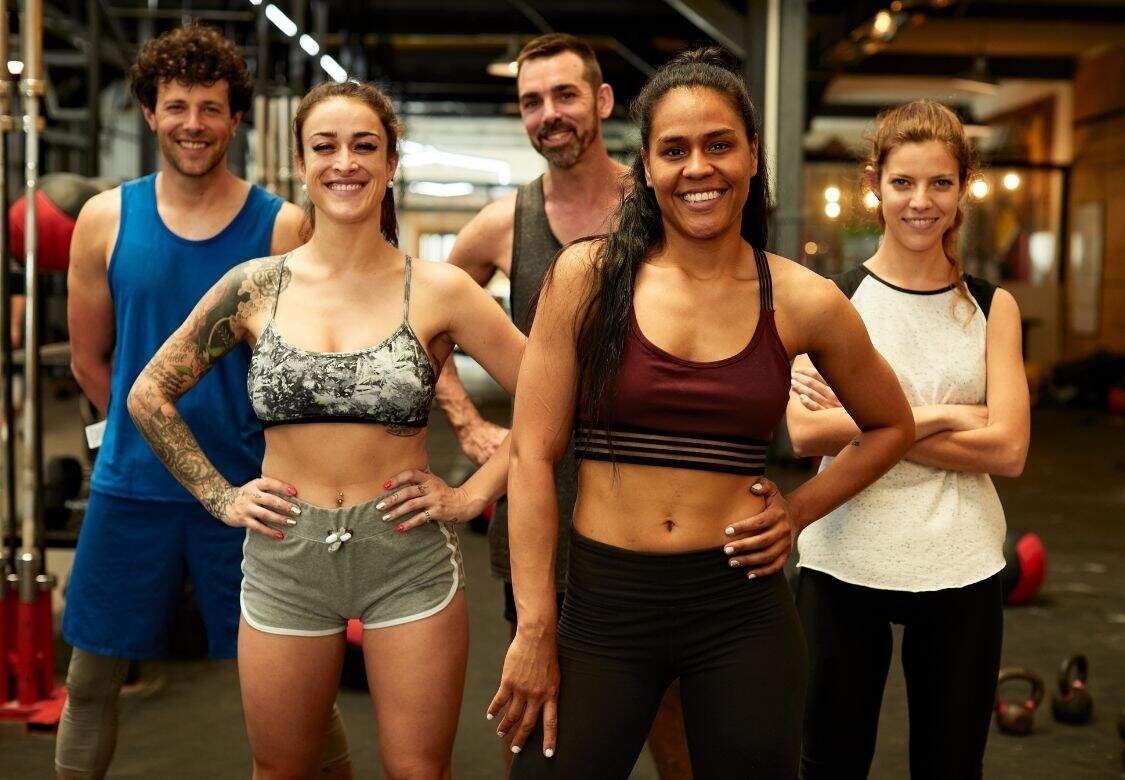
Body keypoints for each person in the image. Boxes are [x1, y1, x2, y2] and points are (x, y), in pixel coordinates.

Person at [490, 48, 915, 778]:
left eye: (719, 145)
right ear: (646, 168)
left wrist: (798, 508)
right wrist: (533, 627)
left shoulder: (802, 298)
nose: (698, 168)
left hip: (737, 609)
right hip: (602, 608)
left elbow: (891, 425)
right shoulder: (586, 280)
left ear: (752, 155)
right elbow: (531, 455)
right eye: (673, 150)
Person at [127, 78, 524, 778]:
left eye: (364, 146)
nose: (345, 162)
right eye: (326, 146)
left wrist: (472, 495)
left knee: (417, 771)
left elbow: (555, 399)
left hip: (404, 555)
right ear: (303, 162)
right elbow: (149, 394)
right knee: (282, 769)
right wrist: (220, 496)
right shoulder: (253, 287)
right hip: (287, 554)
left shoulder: (440, 289)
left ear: (391, 163)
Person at [59, 23, 353, 779]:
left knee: (302, 698)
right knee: (89, 684)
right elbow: (92, 362)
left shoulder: (282, 227)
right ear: (150, 113)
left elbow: (304, 365)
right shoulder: (104, 219)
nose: (194, 123)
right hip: (133, 491)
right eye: (177, 106)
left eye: (211, 108)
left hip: (257, 495)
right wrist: (142, 440)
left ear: (236, 117)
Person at [435, 32, 691, 775]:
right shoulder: (499, 226)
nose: (549, 113)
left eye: (565, 95)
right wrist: (467, 421)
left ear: (602, 102)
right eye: (531, 101)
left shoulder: (661, 205)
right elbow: (421, 325)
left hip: (660, 498)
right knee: (545, 701)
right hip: (546, 500)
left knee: (673, 712)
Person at [788, 99, 1030, 779]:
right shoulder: (828, 298)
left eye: (938, 183)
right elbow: (806, 430)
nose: (919, 202)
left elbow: (1009, 448)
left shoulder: (992, 306)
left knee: (949, 766)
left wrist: (870, 422)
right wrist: (951, 415)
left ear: (962, 190)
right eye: (902, 183)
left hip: (959, 560)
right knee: (827, 763)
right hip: (843, 558)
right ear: (875, 186)